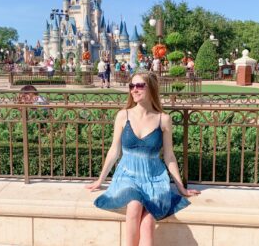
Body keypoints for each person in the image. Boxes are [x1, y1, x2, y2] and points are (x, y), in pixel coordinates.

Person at [86, 71, 200, 246]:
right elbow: (114, 151)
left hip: (154, 177)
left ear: (151, 88)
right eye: (132, 86)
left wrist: (181, 188)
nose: (134, 90)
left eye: (139, 85)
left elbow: (169, 156)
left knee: (147, 225)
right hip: (127, 174)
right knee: (134, 207)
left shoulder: (164, 119)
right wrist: (100, 180)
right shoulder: (123, 115)